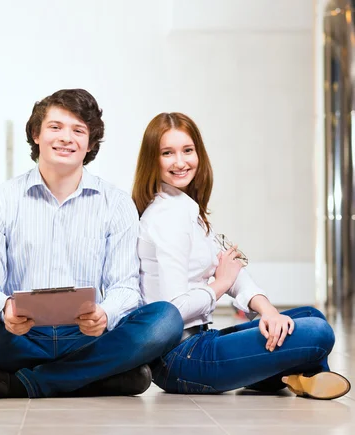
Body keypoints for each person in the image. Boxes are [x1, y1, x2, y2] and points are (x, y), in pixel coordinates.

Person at [0, 89, 183, 399]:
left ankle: (28, 383)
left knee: (166, 319)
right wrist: (6, 309)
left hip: (89, 337)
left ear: (91, 143)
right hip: (20, 338)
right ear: (36, 134)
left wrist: (105, 314)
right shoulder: (0, 201)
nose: (66, 137)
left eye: (78, 130)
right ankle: (93, 376)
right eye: (55, 127)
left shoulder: (117, 203)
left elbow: (125, 288)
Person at [133, 112, 351, 399]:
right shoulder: (168, 216)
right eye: (167, 153)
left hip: (200, 341)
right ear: (153, 159)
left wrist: (268, 310)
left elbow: (234, 271)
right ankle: (297, 374)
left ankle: (291, 376)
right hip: (178, 359)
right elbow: (173, 311)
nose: (180, 162)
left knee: (309, 315)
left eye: (187, 150)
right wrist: (219, 285)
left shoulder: (186, 208)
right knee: (317, 332)